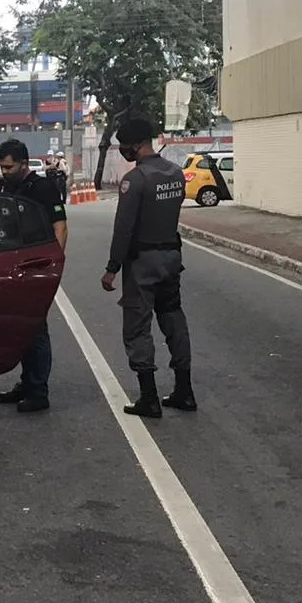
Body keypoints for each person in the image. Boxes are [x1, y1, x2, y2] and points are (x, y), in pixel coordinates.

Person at [100, 115, 196, 418]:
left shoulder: (136, 180)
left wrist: (112, 267)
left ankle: (149, 397)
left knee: (137, 327)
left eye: (123, 145)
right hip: (171, 257)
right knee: (173, 320)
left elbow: (124, 228)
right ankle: (184, 391)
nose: (121, 151)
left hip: (143, 262)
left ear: (136, 144)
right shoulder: (175, 173)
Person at [0, 138, 68, 413]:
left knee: (36, 329)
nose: (4, 171)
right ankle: (26, 383)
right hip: (14, 266)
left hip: (37, 266)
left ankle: (38, 391)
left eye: (9, 167)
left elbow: (60, 226)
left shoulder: (43, 188)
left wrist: (54, 265)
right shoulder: (9, 187)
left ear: (24, 164)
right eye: (2, 167)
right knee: (22, 328)